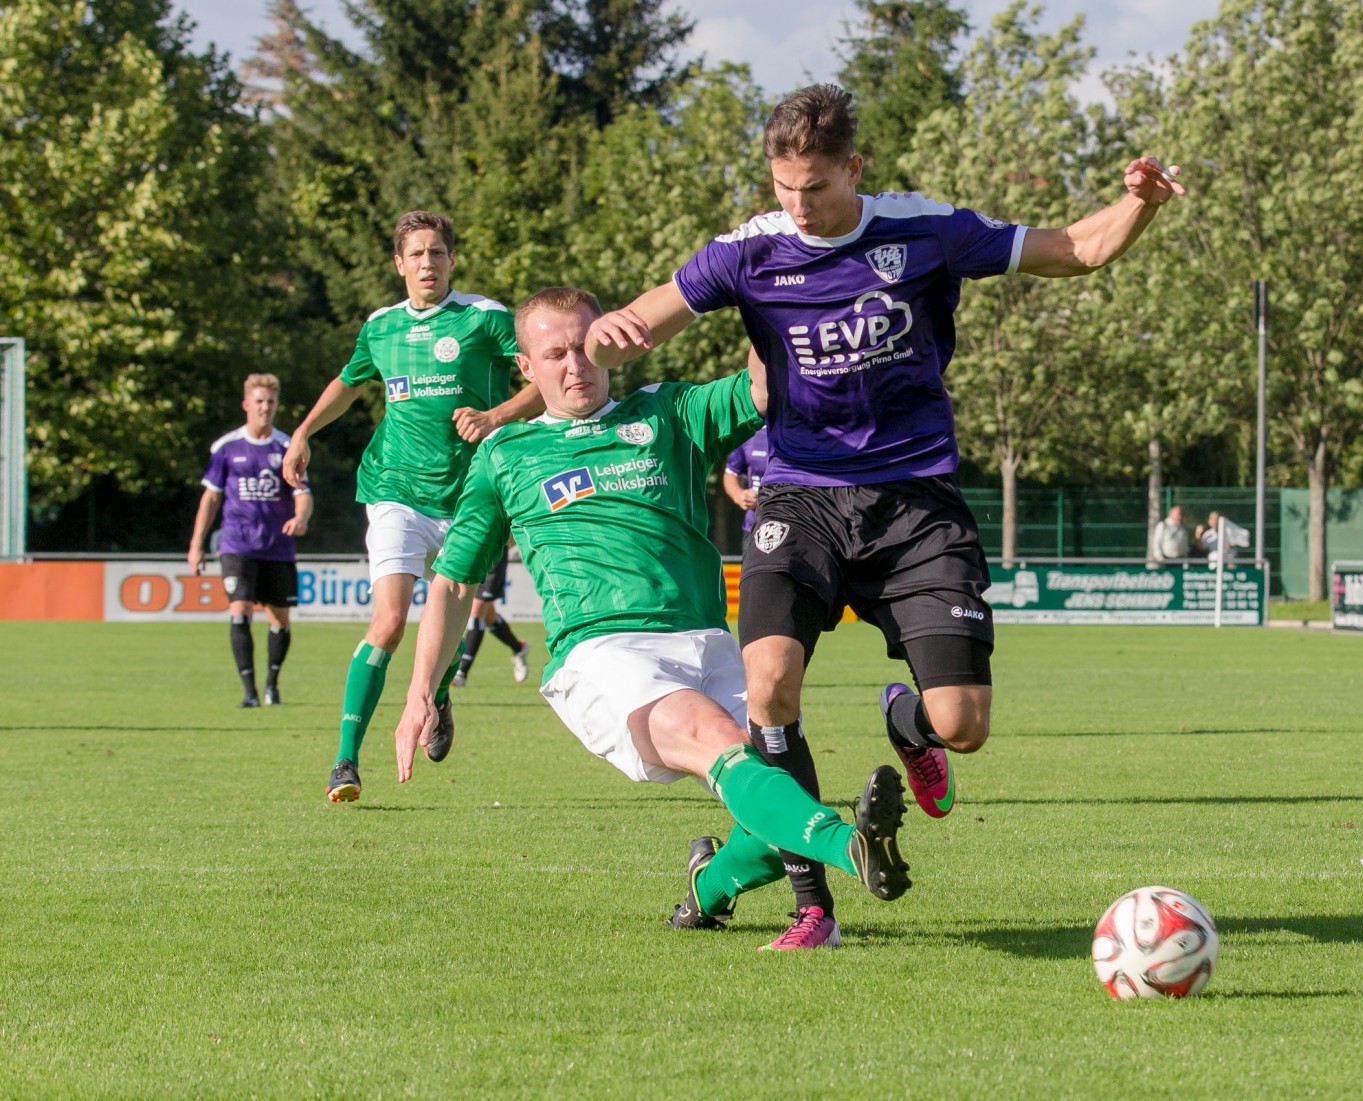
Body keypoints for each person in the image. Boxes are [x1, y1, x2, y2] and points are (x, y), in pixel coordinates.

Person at [582, 83, 1184, 945]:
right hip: (800, 497)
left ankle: (907, 720)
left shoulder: (923, 230)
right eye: (784, 187)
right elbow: (646, 314)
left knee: (962, 727)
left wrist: (1137, 202)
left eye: (817, 187)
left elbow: (1076, 250)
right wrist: (616, 330)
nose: (799, 205)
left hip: (914, 504)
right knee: (769, 688)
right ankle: (813, 905)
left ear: (854, 168)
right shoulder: (749, 251)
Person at [392, 287, 912, 946]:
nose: (574, 363)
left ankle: (708, 888)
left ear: (612, 341)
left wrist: (782, 283)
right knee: (717, 741)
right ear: (526, 368)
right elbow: (454, 581)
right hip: (602, 652)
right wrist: (420, 694)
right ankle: (854, 848)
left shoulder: (666, 412)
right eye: (554, 353)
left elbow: (762, 385)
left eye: (585, 345)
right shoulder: (506, 454)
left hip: (707, 639)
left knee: (770, 804)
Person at [282, 209, 545, 803]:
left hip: (468, 496)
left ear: (452, 259)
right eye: (416, 254)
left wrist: (497, 415)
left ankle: (440, 691)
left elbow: (543, 375)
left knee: (446, 626)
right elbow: (349, 383)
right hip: (394, 490)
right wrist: (302, 433)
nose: (428, 263)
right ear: (399, 265)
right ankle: (345, 762)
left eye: (437, 252)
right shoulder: (381, 327)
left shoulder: (485, 318)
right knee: (391, 621)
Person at [188, 373, 313, 708]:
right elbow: (210, 499)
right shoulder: (226, 448)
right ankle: (249, 692)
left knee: (280, 619)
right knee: (240, 610)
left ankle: (272, 684)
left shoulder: (288, 447)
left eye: (270, 402)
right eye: (259, 401)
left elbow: (303, 493)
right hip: (237, 544)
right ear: (247, 404)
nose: (265, 407)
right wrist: (197, 544)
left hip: (277, 546)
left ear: (276, 405)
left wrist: (300, 518)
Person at [451, 545, 532, 687]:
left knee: (477, 610)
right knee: (489, 616)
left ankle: (461, 673)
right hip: (472, 551)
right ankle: (519, 648)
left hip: (494, 553)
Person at [721, 425, 770, 554]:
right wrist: (739, 494)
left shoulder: (800, 431)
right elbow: (730, 473)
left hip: (793, 526)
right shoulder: (751, 434)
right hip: (753, 528)